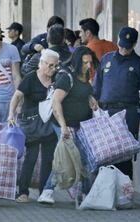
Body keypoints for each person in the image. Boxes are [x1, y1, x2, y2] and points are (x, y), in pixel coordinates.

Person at [37, 46, 99, 204]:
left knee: (84, 157)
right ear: (77, 62)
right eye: (85, 63)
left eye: (90, 63)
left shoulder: (83, 75)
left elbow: (81, 91)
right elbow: (56, 102)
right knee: (65, 157)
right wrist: (64, 127)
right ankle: (47, 191)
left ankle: (85, 194)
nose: (88, 66)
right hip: (65, 123)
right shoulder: (67, 76)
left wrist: (90, 98)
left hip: (82, 124)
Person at [92, 27, 140, 179]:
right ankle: (104, 192)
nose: (123, 49)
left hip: (129, 113)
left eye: (127, 47)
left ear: (133, 45)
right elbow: (96, 86)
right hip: (106, 112)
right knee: (105, 153)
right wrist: (93, 105)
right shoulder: (106, 59)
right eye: (121, 45)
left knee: (124, 155)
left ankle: (124, 194)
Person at [7, 49, 59, 203]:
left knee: (48, 159)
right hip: (32, 124)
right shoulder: (30, 78)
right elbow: (17, 96)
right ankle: (23, 192)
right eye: (49, 65)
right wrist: (11, 115)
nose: (52, 69)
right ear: (41, 64)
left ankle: (45, 192)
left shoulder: (57, 78)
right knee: (31, 157)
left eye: (55, 66)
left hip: (49, 123)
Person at [79, 18, 117, 83]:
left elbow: (85, 77)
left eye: (81, 32)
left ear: (88, 33)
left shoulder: (85, 51)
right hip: (113, 88)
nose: (79, 35)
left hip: (95, 89)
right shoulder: (113, 46)